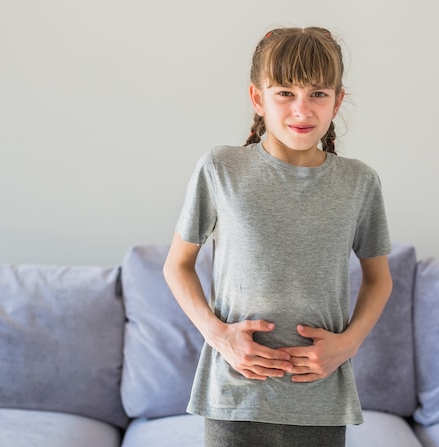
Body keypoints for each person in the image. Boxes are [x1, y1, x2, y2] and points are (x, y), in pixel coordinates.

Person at [163, 26, 393, 447]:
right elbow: (177, 266)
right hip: (236, 395)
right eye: (285, 92)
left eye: (318, 94)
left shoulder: (359, 182)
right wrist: (219, 337)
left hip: (319, 397)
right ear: (258, 98)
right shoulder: (221, 169)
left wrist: (349, 344)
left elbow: (379, 278)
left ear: (337, 100)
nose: (302, 111)